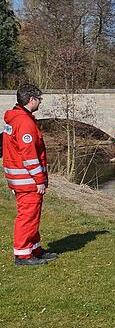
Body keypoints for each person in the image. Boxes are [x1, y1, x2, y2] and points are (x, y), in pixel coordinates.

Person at [3, 84, 57, 265]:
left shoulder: (16, 119)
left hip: (20, 179)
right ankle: (23, 255)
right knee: (27, 217)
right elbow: (29, 155)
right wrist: (39, 179)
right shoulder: (25, 122)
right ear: (32, 100)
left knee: (33, 216)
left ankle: (34, 249)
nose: (40, 103)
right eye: (39, 99)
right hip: (28, 180)